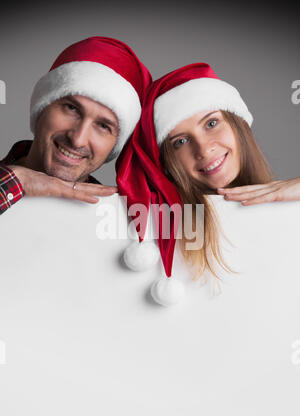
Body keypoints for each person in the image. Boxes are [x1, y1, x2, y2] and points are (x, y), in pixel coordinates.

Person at [116, 62, 300, 306]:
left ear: (237, 125)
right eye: (180, 141)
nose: (203, 149)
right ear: (166, 162)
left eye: (211, 123)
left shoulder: (288, 212)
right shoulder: (147, 223)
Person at [0, 36, 152, 215]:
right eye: (71, 108)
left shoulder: (119, 222)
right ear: (42, 107)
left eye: (103, 126)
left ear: (115, 144)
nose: (78, 139)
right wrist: (16, 182)